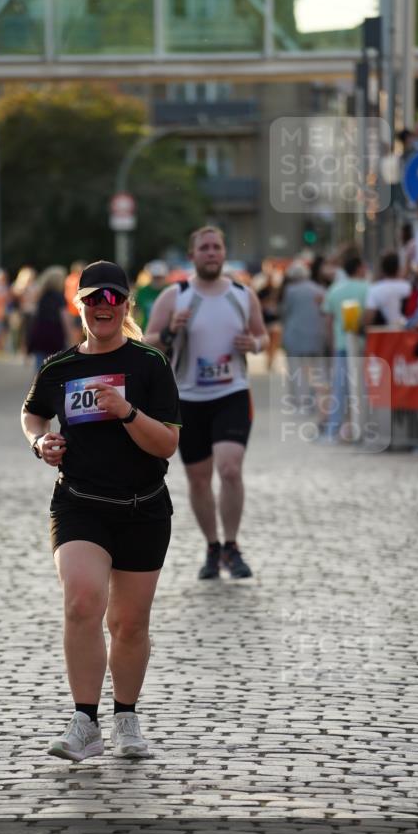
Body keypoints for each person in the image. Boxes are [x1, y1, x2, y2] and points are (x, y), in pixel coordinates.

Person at [21, 260, 180, 762]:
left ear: (127, 305)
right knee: (81, 601)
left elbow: (169, 444)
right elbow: (32, 413)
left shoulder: (149, 364)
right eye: (93, 299)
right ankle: (84, 721)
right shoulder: (60, 367)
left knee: (129, 624)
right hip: (79, 505)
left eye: (112, 299)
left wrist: (126, 412)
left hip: (143, 507)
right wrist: (39, 442)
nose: (102, 307)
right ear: (80, 306)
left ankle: (126, 717)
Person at [145, 225, 268, 580]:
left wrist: (254, 346)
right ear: (193, 255)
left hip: (232, 393)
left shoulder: (243, 294)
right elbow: (149, 341)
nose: (211, 253)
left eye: (217, 247)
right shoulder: (175, 296)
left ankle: (232, 545)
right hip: (187, 398)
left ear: (224, 253)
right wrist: (169, 330)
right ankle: (212, 547)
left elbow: (261, 335)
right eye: (205, 248)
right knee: (199, 480)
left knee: (230, 469)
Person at [321, 253, 368, 442]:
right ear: (358, 268)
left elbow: (328, 320)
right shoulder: (368, 288)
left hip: (341, 345)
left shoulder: (334, 290)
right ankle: (365, 427)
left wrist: (331, 345)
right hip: (364, 345)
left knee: (339, 389)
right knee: (364, 388)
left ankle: (333, 430)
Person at [280, 261, 327, 417]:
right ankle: (316, 401)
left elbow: (285, 312)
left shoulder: (290, 291)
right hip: (317, 335)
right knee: (316, 371)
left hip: (295, 335)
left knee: (296, 371)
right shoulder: (319, 289)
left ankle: (302, 402)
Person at [27, 266, 70, 371]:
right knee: (56, 365)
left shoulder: (41, 296)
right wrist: (70, 335)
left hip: (40, 332)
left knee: (39, 366)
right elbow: (65, 318)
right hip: (55, 333)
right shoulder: (60, 297)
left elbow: (35, 315)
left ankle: (39, 385)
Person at [363, 252, 412, 327]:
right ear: (399, 268)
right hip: (407, 333)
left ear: (382, 269)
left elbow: (368, 319)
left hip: (384, 334)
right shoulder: (408, 287)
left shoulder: (375, 290)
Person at [134, 260, 169, 333]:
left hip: (166, 334)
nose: (157, 280)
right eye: (155, 277)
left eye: (160, 277)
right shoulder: (142, 291)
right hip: (147, 331)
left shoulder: (171, 291)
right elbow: (136, 311)